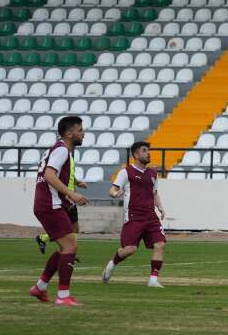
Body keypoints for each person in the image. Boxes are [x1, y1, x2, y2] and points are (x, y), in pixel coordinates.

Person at [31, 115, 88, 306]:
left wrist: (74, 184)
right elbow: (48, 175)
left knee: (66, 247)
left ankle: (40, 287)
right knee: (71, 246)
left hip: (48, 203)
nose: (83, 133)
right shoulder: (62, 149)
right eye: (80, 130)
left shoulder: (61, 150)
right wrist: (72, 194)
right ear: (69, 133)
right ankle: (63, 296)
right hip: (50, 204)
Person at [102, 141, 166, 288]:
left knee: (160, 244)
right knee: (130, 249)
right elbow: (112, 190)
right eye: (144, 150)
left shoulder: (152, 174)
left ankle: (153, 280)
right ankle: (112, 263)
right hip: (134, 217)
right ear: (136, 154)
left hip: (150, 216)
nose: (148, 153)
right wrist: (115, 194)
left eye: (148, 150)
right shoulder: (126, 172)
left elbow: (154, 193)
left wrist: (161, 208)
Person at [35, 150, 86, 259]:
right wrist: (68, 193)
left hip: (68, 195)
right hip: (66, 196)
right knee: (71, 228)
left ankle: (45, 239)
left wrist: (77, 182)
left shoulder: (68, 156)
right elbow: (52, 175)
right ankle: (69, 251)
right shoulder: (61, 153)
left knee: (71, 228)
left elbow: (68, 174)